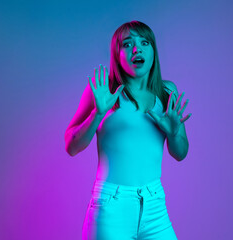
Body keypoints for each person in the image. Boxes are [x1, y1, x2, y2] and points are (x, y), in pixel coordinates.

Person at [64, 20, 191, 240]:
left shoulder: (167, 91)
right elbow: (71, 146)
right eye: (127, 44)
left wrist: (174, 132)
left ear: (153, 51)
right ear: (117, 54)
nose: (136, 49)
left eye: (144, 42)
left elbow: (180, 153)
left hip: (155, 207)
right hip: (111, 208)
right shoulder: (104, 91)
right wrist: (97, 113)